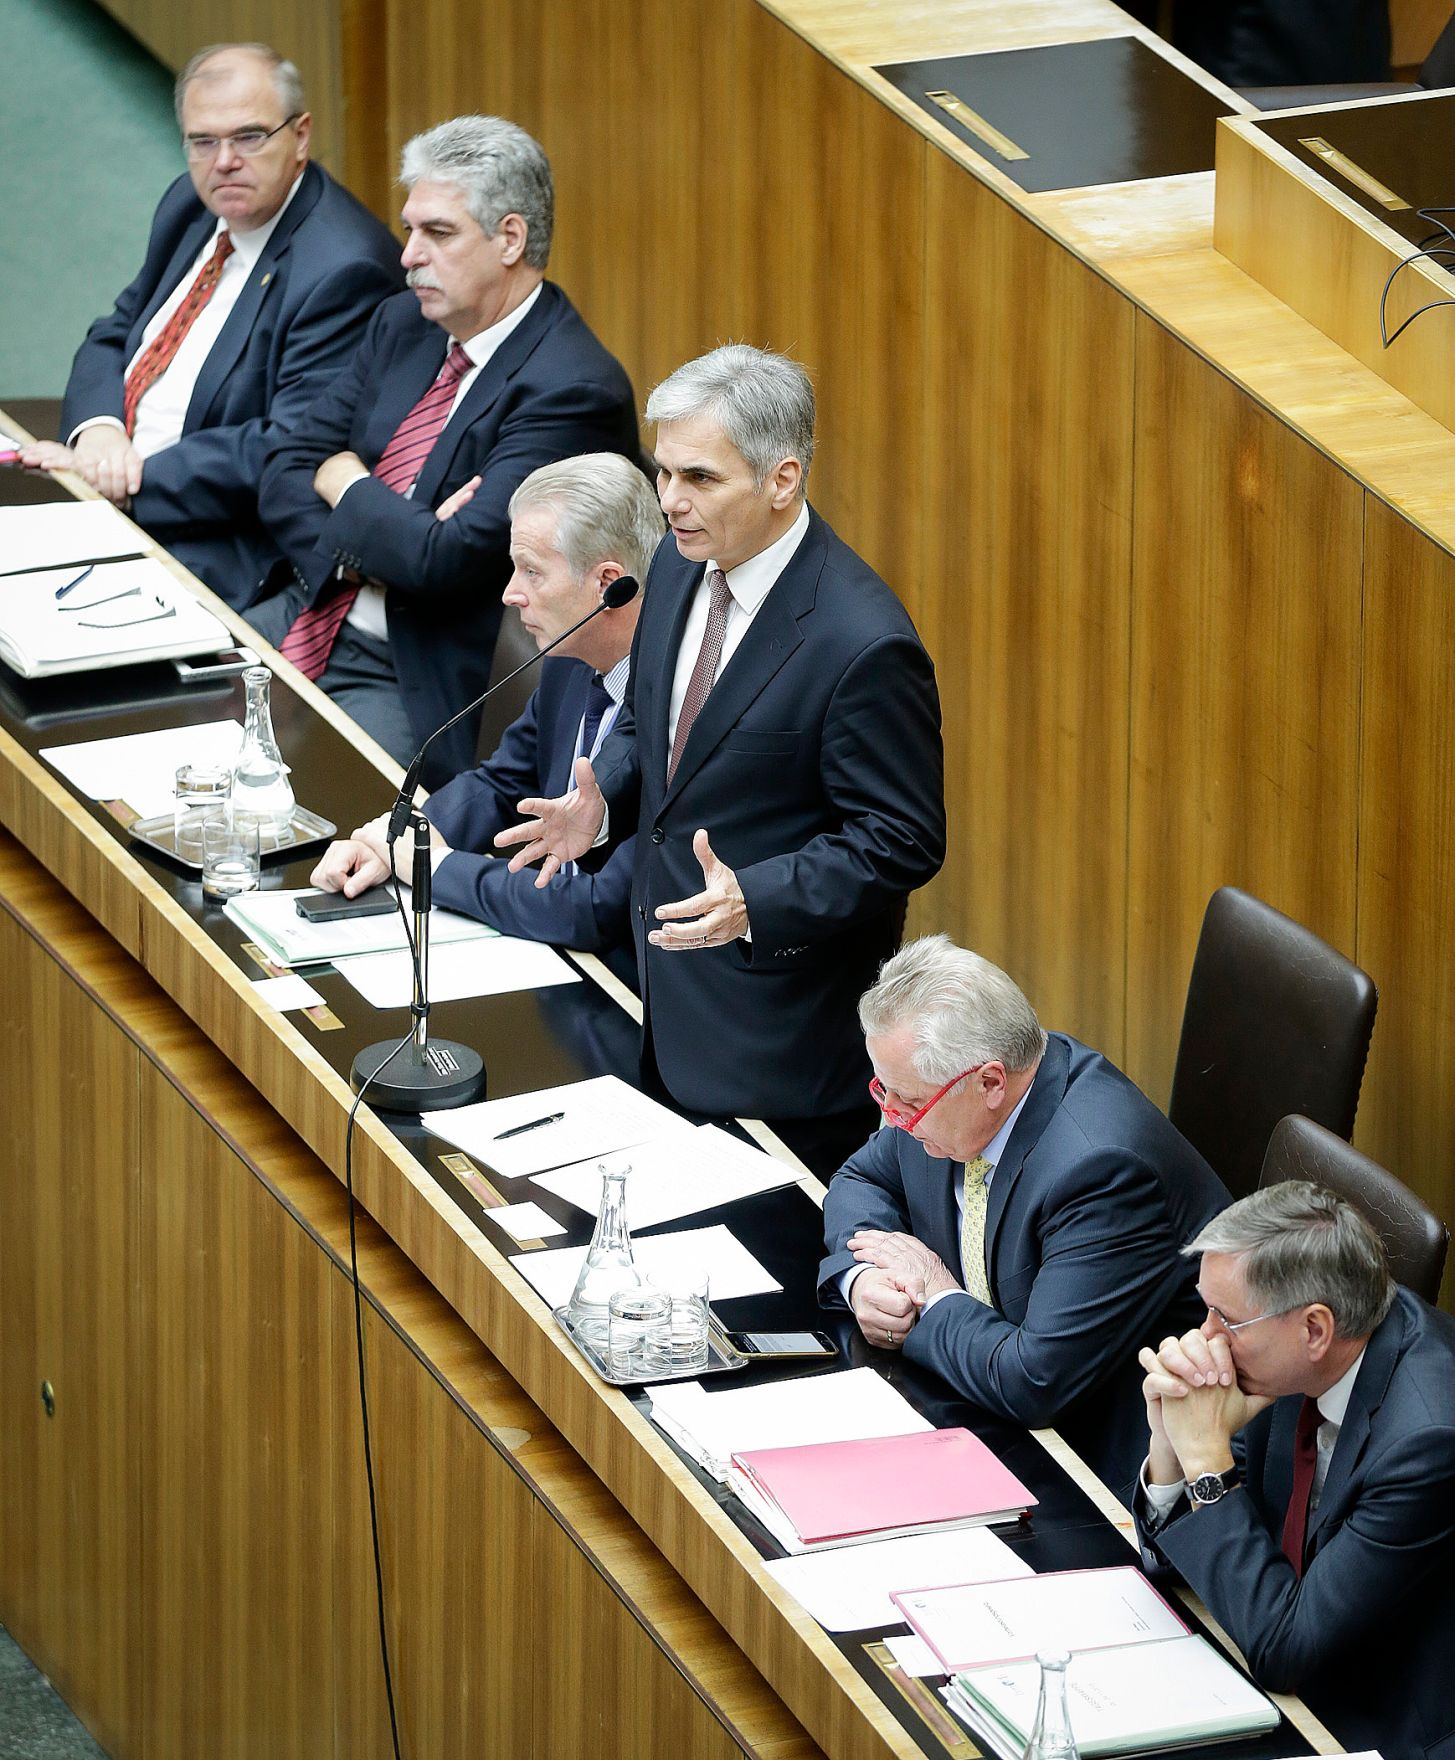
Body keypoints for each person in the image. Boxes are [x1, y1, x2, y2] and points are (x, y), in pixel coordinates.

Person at [495, 345, 945, 1175]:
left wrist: (756, 897)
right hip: (658, 1003)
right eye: (662, 472)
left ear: (782, 480)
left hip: (776, 1052)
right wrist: (607, 796)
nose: (669, 502)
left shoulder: (860, 641)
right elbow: (653, 717)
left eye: (699, 479)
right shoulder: (675, 562)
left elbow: (901, 840)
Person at [252, 115, 639, 784]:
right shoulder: (404, 322)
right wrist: (380, 541)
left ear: (509, 238)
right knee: (151, 716)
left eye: (438, 233)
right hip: (309, 605)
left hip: (407, 673)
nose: (407, 255)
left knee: (308, 820)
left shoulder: (572, 389)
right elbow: (286, 466)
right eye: (410, 229)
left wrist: (346, 482)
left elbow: (444, 560)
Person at [817, 935, 1229, 1487]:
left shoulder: (1101, 1172)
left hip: (1096, 1467)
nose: (893, 1121)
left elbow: (1033, 1383)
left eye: (908, 1104)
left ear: (989, 1081)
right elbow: (860, 1177)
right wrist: (865, 1280)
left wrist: (931, 1299)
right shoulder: (948, 1095)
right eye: (884, 1095)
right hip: (976, 1399)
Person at [20, 43, 402, 607]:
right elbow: (118, 329)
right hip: (104, 471)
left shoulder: (344, 268)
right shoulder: (193, 205)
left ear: (300, 136)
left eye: (249, 137)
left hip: (207, 537)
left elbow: (286, 445)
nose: (223, 161)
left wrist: (130, 480)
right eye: (203, 141)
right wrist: (99, 431)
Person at [308, 452, 662, 989]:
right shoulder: (570, 658)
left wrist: (435, 869)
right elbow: (501, 785)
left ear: (607, 583)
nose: (509, 593)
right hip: (536, 951)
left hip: (620, 991)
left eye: (532, 571)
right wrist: (398, 839)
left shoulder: (679, 706)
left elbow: (593, 909)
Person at [1134, 1181, 1455, 1760]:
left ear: (1314, 1329)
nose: (1206, 1338)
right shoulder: (1289, 1359)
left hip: (1384, 1716)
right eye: (1203, 1307)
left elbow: (1286, 1650)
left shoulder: (1427, 1443)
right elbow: (1182, 1564)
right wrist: (1170, 1445)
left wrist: (1207, 1460)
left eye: (1224, 1320)